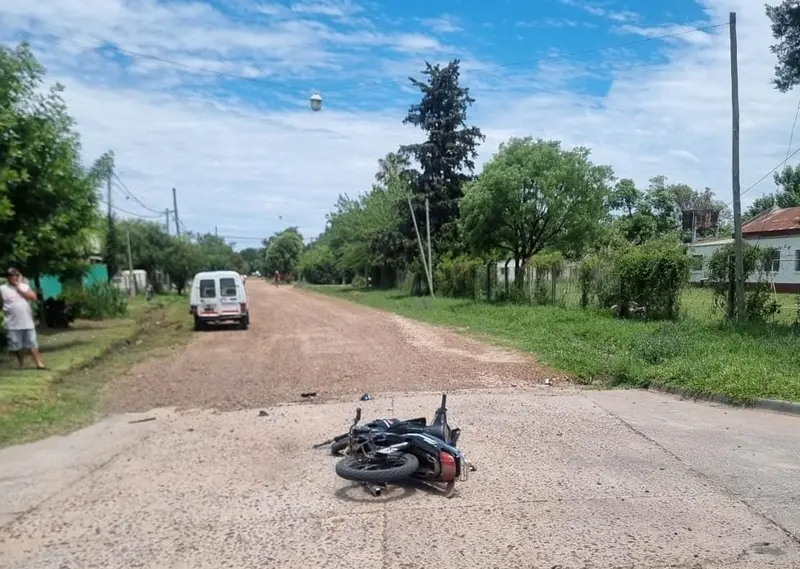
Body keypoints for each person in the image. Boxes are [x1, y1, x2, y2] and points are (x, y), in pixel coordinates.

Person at [1, 268, 46, 369]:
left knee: (32, 343)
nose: (14, 277)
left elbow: (33, 297)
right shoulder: (2, 289)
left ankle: (39, 363)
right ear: (8, 277)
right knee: (17, 346)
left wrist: (18, 288)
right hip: (12, 322)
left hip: (27, 322)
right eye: (11, 276)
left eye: (16, 275)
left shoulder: (24, 287)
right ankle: (21, 362)